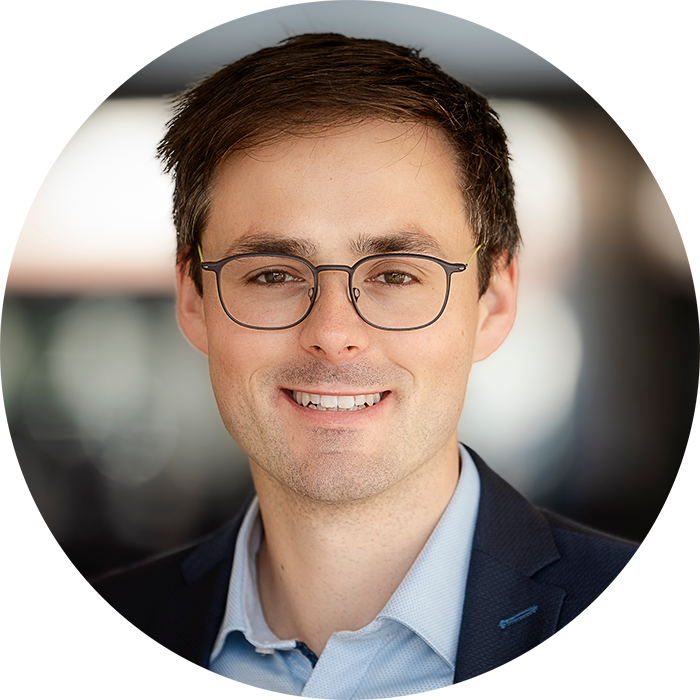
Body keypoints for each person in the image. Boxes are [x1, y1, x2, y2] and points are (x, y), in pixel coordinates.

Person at [24, 32, 697, 700]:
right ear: (193, 299)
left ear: (493, 300)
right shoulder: (68, 659)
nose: (333, 334)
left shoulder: (668, 643)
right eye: (272, 274)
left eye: (396, 274)